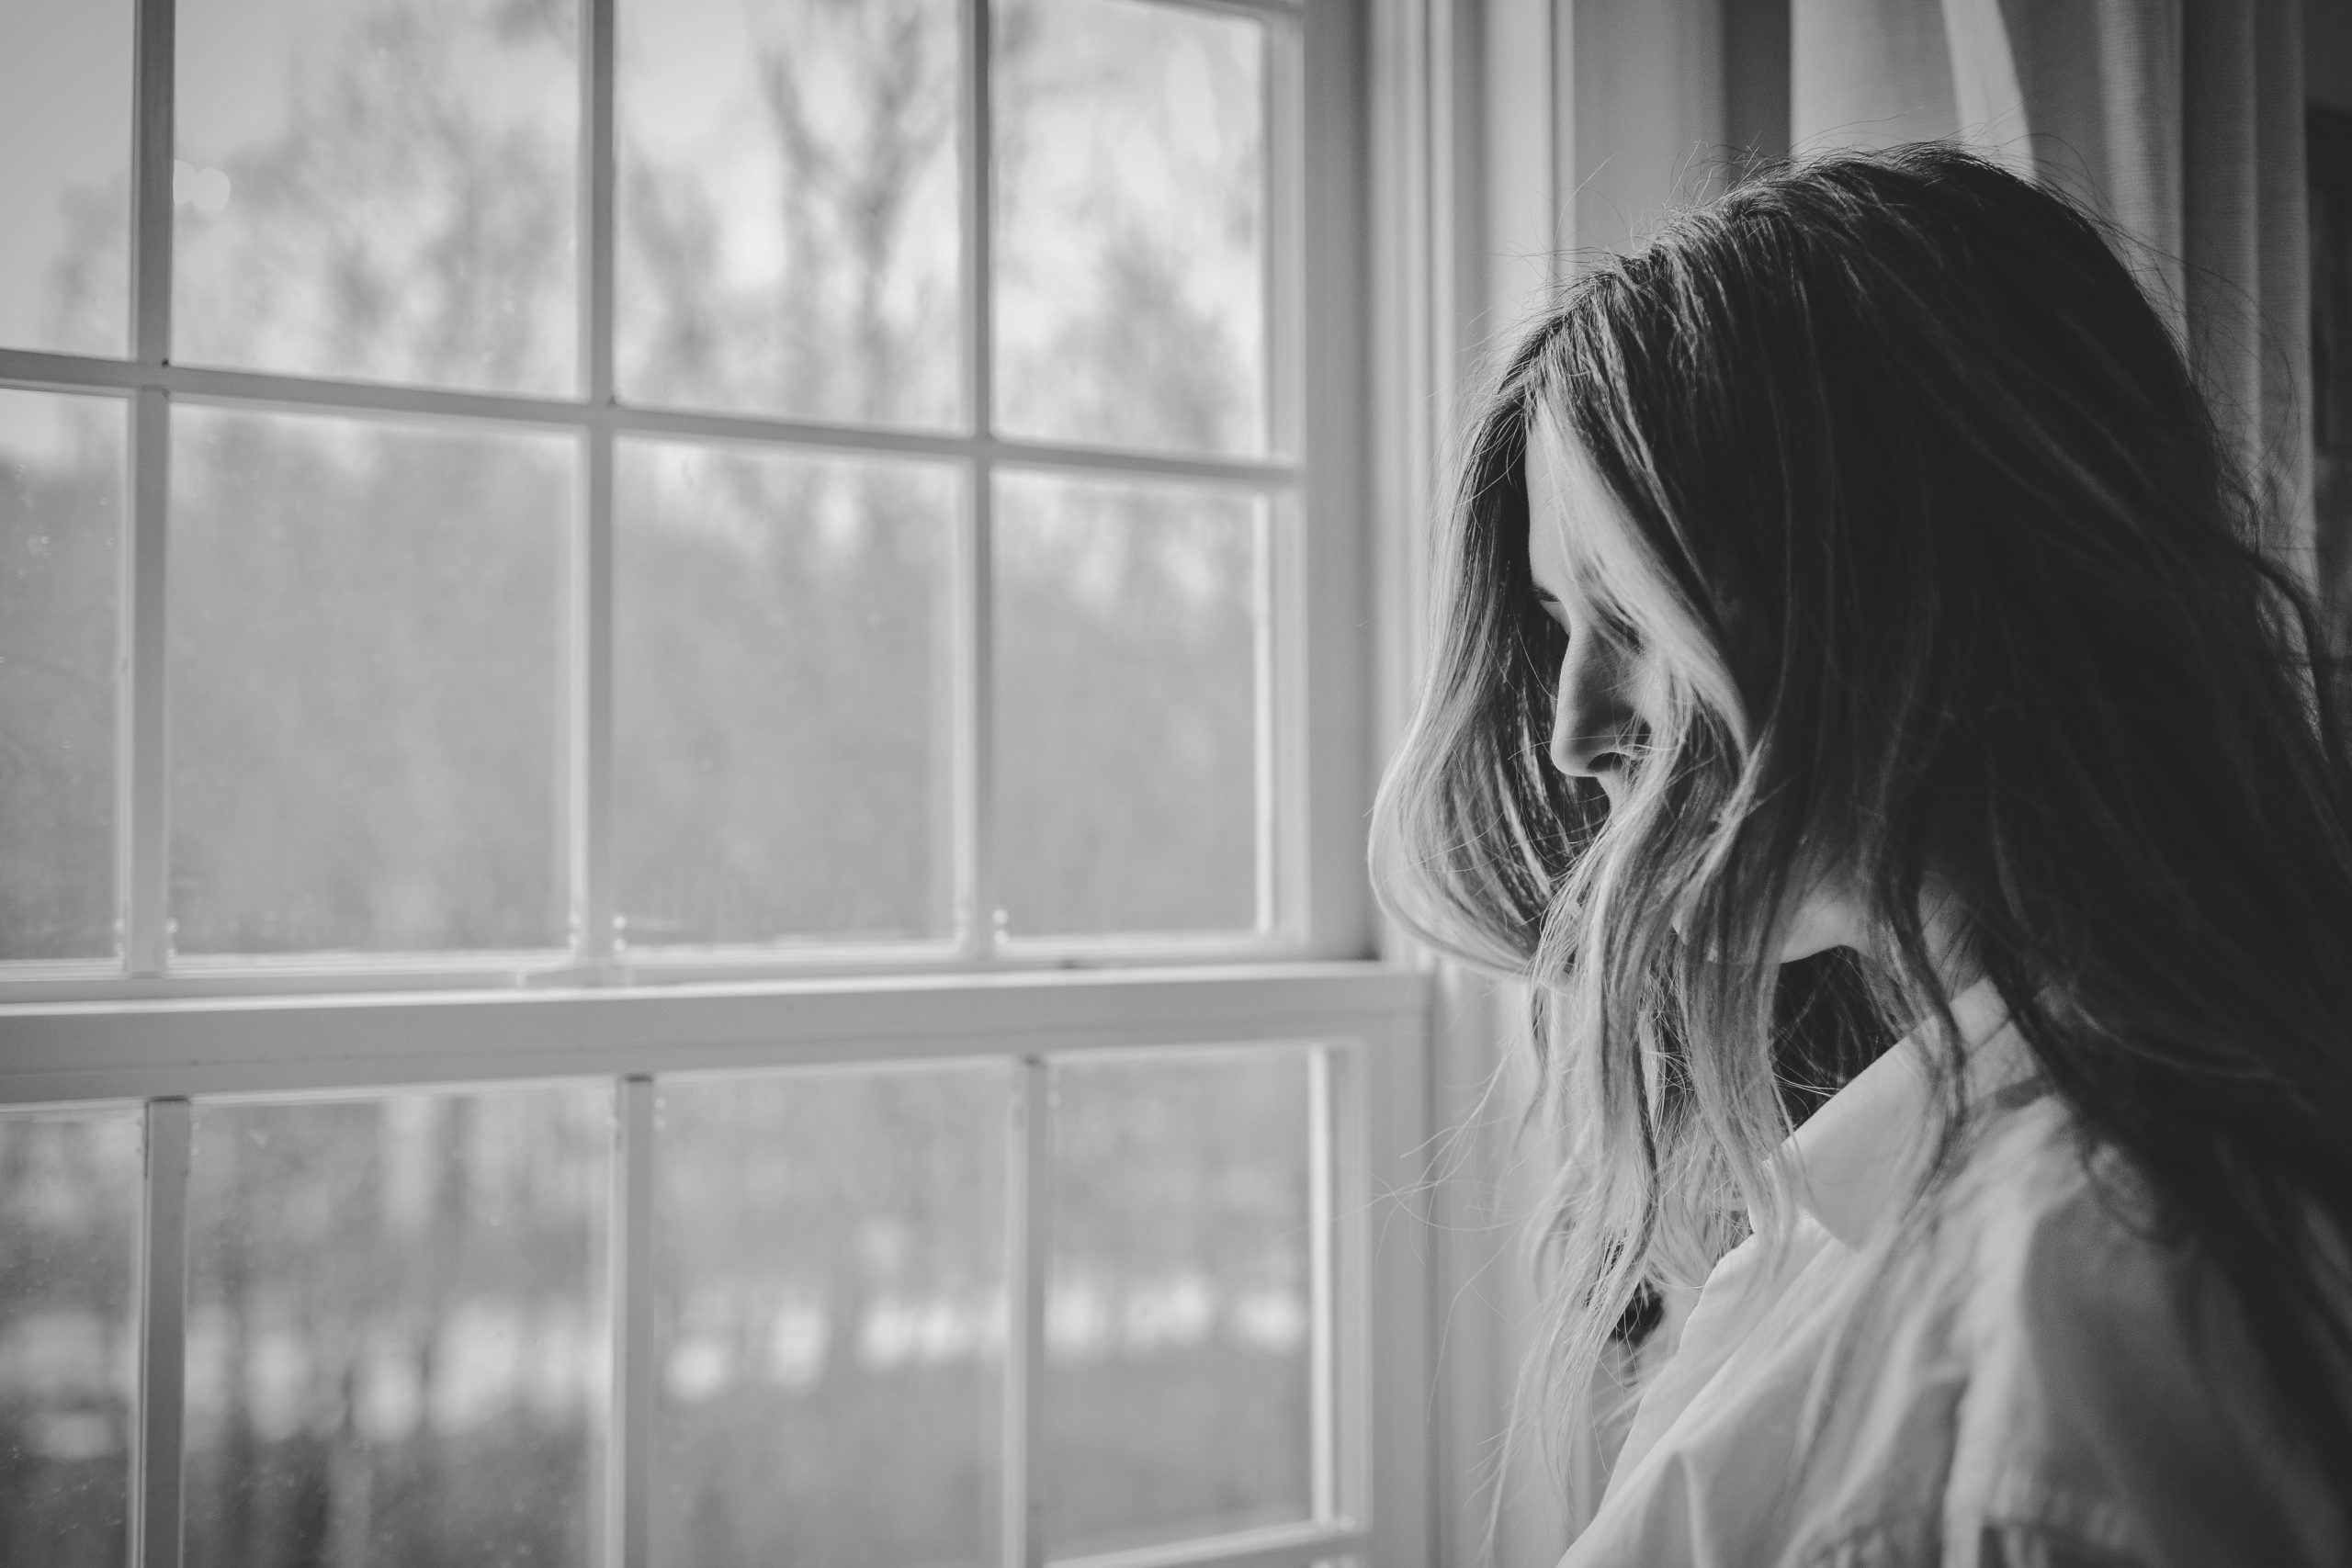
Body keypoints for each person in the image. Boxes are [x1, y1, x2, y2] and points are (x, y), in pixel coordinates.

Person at [1374, 144, 2352, 1564]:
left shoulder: (2077, 1315)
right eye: (1556, 624)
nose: (1571, 734)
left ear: (1907, 606)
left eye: (1629, 621)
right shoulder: (1888, 1216)